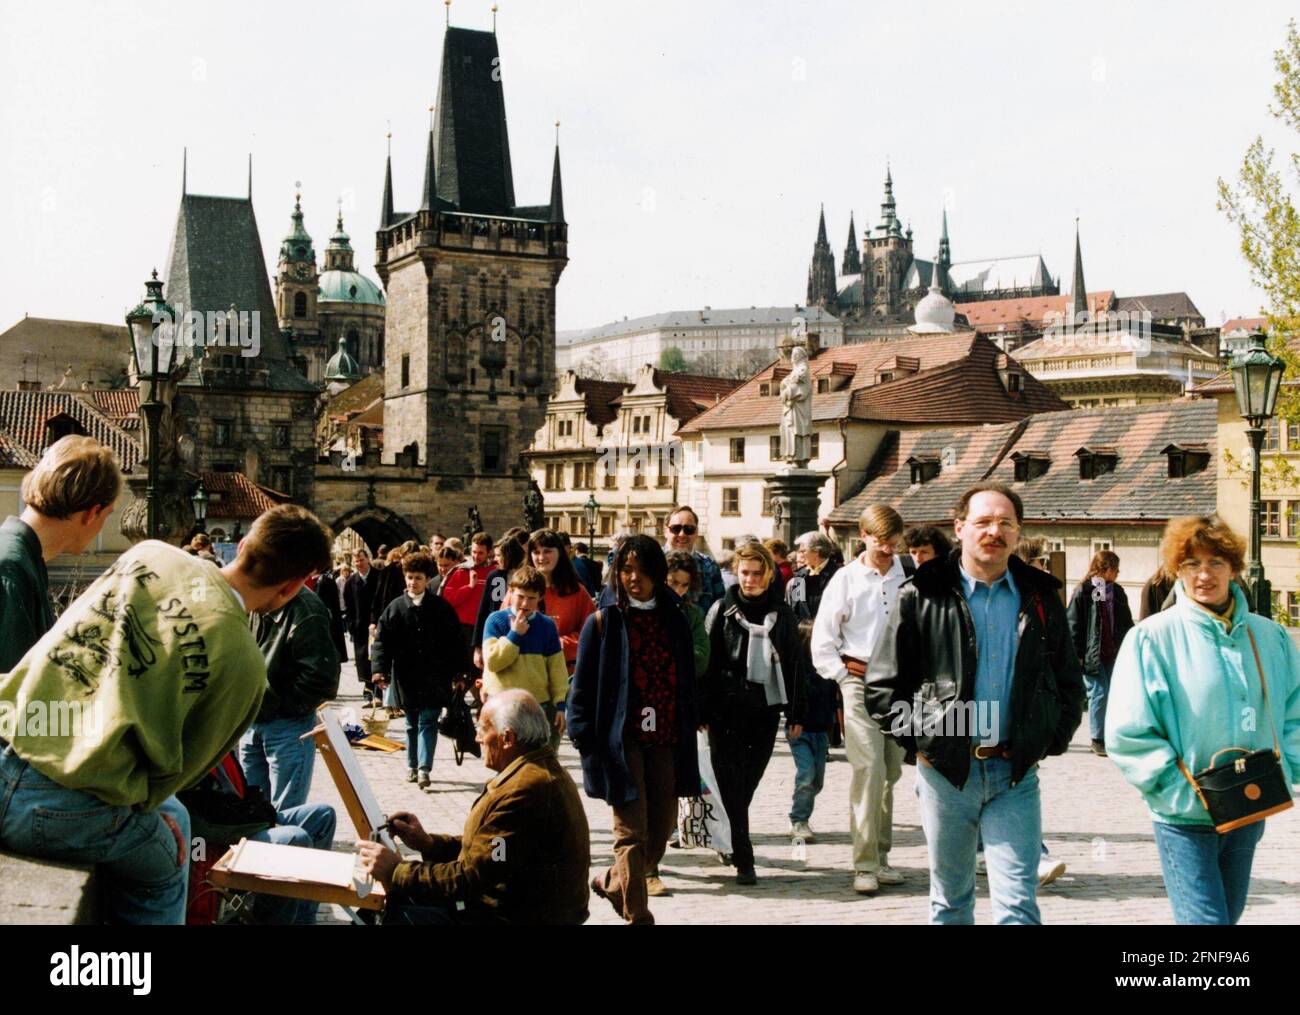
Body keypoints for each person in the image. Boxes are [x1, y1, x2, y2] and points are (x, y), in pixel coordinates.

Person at [0, 503, 333, 924]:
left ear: (244, 545)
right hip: (61, 812)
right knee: (168, 856)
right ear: (291, 588)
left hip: (6, 749)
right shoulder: (247, 669)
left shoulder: (149, 555)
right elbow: (176, 777)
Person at [864, 483, 1084, 925]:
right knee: (951, 902)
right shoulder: (921, 594)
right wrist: (923, 744)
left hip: (1014, 775)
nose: (994, 532)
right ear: (960, 527)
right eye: (983, 522)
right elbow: (884, 685)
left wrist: (1046, 740)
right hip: (947, 775)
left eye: (1005, 523)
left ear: (1018, 533)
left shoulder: (1040, 598)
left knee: (1019, 904)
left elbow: (1067, 681)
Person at [1107, 515, 1300, 925]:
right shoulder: (1151, 638)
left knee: (1226, 918)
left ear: (1234, 569)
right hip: (1184, 814)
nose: (1204, 575)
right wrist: (1179, 791)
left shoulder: (1270, 637)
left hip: (1249, 805)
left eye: (1215, 562)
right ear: (1177, 570)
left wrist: (1286, 768)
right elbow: (1129, 731)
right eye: (1191, 564)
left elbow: (1294, 711)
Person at [357, 690, 591, 925]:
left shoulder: (525, 791)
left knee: (394, 910)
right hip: (526, 909)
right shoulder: (537, 772)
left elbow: (474, 875)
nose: (477, 738)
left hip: (516, 916)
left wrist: (398, 871)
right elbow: (497, 852)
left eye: (482, 729)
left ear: (507, 738)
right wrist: (429, 843)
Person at [570, 535, 700, 924]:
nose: (633, 579)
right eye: (626, 570)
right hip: (620, 742)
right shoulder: (603, 620)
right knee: (630, 832)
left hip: (664, 739)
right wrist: (583, 737)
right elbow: (582, 686)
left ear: (657, 574)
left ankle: (612, 881)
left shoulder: (675, 618)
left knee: (658, 832)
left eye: (642, 571)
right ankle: (637, 913)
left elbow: (687, 679)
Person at [811, 505, 914, 895]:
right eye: (880, 541)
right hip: (858, 681)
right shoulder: (846, 579)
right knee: (867, 769)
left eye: (893, 543)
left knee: (890, 772)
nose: (887, 549)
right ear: (863, 536)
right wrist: (841, 678)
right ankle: (864, 863)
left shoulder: (907, 576)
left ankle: (882, 857)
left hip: (899, 686)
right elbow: (823, 638)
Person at [700, 542, 805, 885]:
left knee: (747, 783)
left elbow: (794, 665)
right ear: (736, 572)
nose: (750, 580)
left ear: (769, 575)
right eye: (744, 573)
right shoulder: (722, 609)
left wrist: (796, 713)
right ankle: (744, 857)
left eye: (758, 573)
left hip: (764, 709)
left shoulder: (783, 615)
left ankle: (731, 837)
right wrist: (701, 708)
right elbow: (706, 665)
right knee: (730, 783)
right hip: (724, 710)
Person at [0, 436, 119, 672]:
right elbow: (13, 692)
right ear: (92, 513)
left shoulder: (23, 558)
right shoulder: (12, 568)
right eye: (108, 515)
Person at [371, 551, 469, 789]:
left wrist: (460, 672)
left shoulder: (441, 608)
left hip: (435, 677)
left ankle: (424, 768)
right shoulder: (395, 608)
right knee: (410, 723)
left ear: (427, 579)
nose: (412, 582)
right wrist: (379, 670)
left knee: (428, 721)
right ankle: (411, 766)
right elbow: (382, 641)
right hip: (406, 676)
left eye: (418, 578)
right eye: (409, 577)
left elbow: (456, 641)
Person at [242, 582, 341, 812]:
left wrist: (281, 707)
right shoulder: (260, 596)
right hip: (252, 720)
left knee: (285, 811)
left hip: (285, 724)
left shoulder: (305, 608)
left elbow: (321, 677)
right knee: (251, 810)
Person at [482, 567, 568, 749]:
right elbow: (493, 662)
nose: (525, 603)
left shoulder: (547, 626)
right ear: (510, 592)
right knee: (505, 758)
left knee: (538, 759)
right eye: (520, 596)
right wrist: (514, 635)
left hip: (536, 705)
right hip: (503, 704)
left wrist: (560, 705)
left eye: (531, 598)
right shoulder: (495, 621)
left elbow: (557, 669)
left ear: (541, 598)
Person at [1067, 550, 1134, 757]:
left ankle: (1109, 736)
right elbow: (1074, 624)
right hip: (1092, 655)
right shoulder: (1086, 591)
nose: (1118, 573)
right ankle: (1097, 739)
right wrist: (1077, 655)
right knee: (1099, 693)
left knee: (1113, 695)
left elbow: (1126, 622)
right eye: (1115, 569)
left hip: (1113, 653)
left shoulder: (1117, 592)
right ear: (1105, 569)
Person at [529, 528, 596, 675]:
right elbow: (501, 630)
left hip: (564, 674)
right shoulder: (518, 590)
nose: (541, 558)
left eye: (547, 551)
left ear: (559, 553)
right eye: (536, 552)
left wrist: (559, 644)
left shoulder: (576, 591)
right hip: (526, 675)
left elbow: (593, 632)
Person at [663, 506, 725, 615]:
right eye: (676, 529)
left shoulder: (710, 566)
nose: (682, 534)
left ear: (696, 532)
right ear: (665, 531)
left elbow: (719, 609)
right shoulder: (652, 561)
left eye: (689, 529)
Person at [440, 531, 494, 649]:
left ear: (489, 552)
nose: (476, 556)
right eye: (474, 552)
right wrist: (469, 587)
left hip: (484, 628)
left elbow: (498, 602)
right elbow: (447, 600)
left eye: (481, 553)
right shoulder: (461, 571)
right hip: (462, 628)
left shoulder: (495, 573)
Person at [344, 548, 377, 702]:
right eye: (356, 561)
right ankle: (367, 687)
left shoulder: (378, 576)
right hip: (359, 626)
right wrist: (351, 624)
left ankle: (378, 689)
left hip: (375, 625)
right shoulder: (351, 581)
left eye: (361, 560)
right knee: (362, 659)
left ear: (368, 559)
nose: (359, 564)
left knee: (376, 656)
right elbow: (348, 604)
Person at [315, 562, 349, 663]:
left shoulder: (322, 580)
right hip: (333, 613)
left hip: (329, 615)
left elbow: (318, 600)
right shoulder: (329, 579)